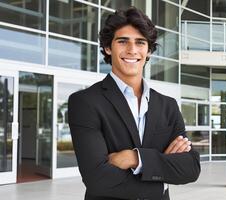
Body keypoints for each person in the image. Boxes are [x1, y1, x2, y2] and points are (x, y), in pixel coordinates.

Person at [68, 7, 201, 200]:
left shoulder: (168, 106)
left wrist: (135, 158)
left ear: (148, 52)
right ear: (108, 47)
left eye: (140, 42)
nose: (132, 50)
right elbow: (96, 178)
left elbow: (190, 167)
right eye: (123, 41)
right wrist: (161, 181)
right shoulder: (85, 102)